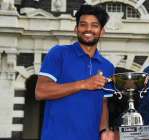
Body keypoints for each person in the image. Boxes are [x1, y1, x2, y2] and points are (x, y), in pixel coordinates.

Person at [35, 4, 114, 140]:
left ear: (102, 31)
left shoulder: (107, 67)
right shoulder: (59, 53)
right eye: (83, 24)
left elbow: (103, 104)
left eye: (94, 25)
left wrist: (104, 131)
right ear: (76, 29)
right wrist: (84, 84)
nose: (88, 29)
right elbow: (40, 91)